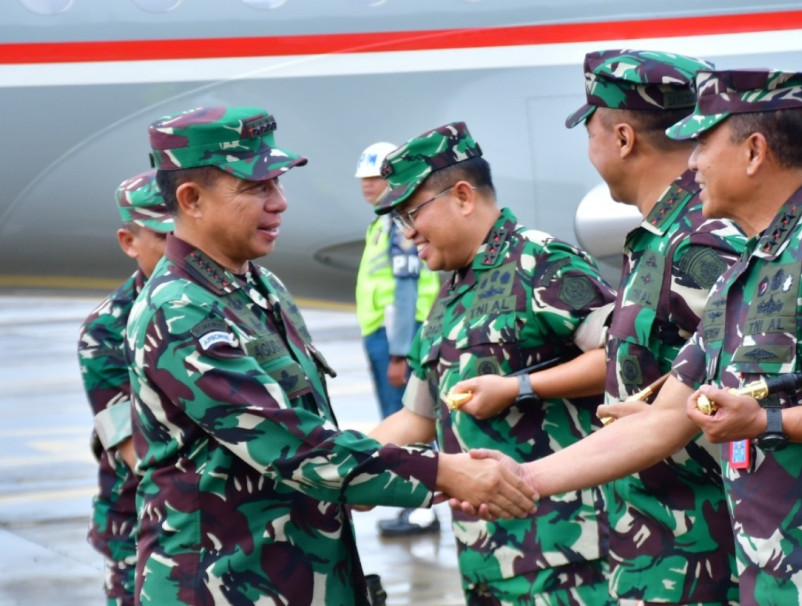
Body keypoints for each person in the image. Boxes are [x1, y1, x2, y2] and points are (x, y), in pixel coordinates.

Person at [466, 69, 802, 605]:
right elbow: (664, 420)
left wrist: (769, 421)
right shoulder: (744, 272)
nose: (691, 162)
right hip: (776, 581)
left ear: (754, 151)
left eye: (704, 143)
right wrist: (523, 476)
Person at [125, 106, 537, 605]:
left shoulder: (258, 287)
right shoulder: (181, 312)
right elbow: (294, 446)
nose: (279, 203)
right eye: (257, 188)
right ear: (191, 199)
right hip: (224, 587)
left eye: (278, 184)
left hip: (302, 577)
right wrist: (447, 473)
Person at [451, 49, 744, 605]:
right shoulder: (660, 240)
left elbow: (730, 398)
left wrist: (523, 476)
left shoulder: (698, 243)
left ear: (624, 138)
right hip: (659, 550)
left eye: (590, 132)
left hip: (703, 558)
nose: (589, 150)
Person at [366, 121, 616, 605]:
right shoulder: (448, 294)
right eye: (398, 219)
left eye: (412, 213)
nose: (407, 231)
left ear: (463, 196)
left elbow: (623, 363)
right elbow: (416, 418)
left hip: (566, 555)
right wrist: (337, 466)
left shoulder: (540, 263)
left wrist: (520, 387)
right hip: (484, 559)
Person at [77, 170, 172, 605]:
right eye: (164, 237)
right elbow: (139, 452)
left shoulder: (244, 299)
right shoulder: (107, 330)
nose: (181, 250)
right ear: (130, 242)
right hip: (145, 527)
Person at [354, 140, 442, 536]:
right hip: (385, 337)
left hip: (396, 339)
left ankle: (421, 507)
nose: (366, 185)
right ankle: (411, 505)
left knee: (407, 422)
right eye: (363, 179)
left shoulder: (394, 224)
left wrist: (399, 352)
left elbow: (405, 290)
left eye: (373, 178)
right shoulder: (381, 222)